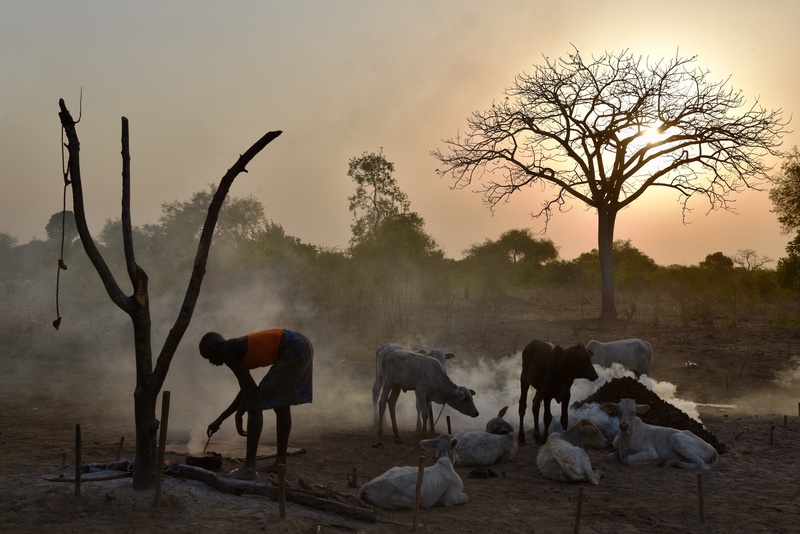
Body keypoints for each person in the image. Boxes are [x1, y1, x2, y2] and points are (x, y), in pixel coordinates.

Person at [199, 328, 313, 480]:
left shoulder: (226, 351)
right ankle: (280, 464)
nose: (211, 362)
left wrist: (241, 412)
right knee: (281, 406)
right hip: (301, 343)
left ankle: (249, 468)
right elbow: (246, 387)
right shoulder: (234, 348)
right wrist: (221, 419)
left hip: (292, 347)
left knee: (255, 404)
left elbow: (251, 392)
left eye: (208, 357)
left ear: (214, 349)